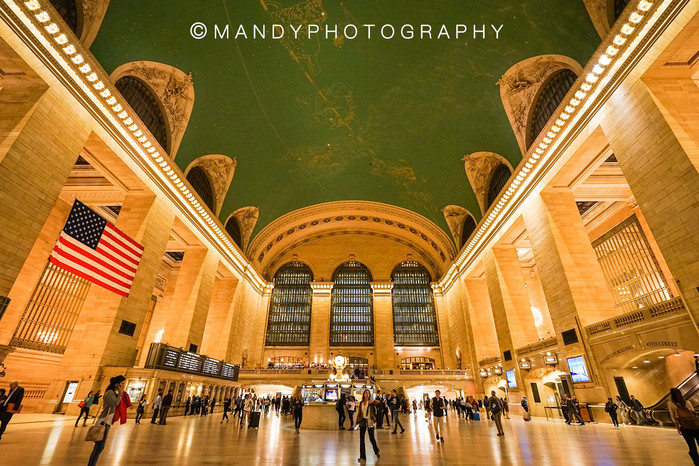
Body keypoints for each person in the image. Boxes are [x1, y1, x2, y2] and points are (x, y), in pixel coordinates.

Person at [87, 375, 125, 466]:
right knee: (99, 447)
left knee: (99, 447)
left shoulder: (113, 393)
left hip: (107, 421)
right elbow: (115, 403)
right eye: (122, 383)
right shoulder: (109, 393)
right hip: (103, 421)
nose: (123, 385)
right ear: (117, 384)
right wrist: (120, 393)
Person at [669, 387, 699, 465]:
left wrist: (677, 428)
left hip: (685, 428)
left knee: (692, 447)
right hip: (696, 427)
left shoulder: (671, 403)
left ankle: (697, 462)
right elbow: (693, 413)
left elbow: (673, 417)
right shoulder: (687, 402)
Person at [356, 389, 381, 462]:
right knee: (361, 439)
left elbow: (379, 403)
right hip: (363, 421)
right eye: (366, 393)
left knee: (371, 438)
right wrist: (357, 422)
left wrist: (374, 401)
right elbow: (359, 413)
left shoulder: (371, 402)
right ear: (363, 394)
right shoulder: (361, 403)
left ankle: (376, 451)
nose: (367, 394)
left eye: (368, 393)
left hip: (370, 421)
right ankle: (362, 456)